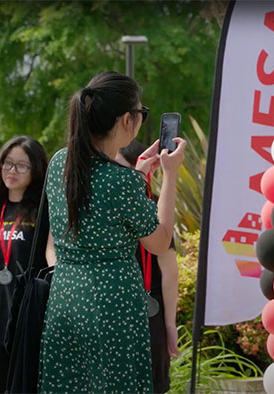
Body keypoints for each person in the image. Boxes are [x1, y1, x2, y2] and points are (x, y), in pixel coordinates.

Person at [38, 71, 185, 393]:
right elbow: (160, 243)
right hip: (113, 303)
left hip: (66, 298)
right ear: (126, 120)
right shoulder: (121, 182)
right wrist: (170, 176)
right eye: (141, 114)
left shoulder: (60, 163)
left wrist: (138, 175)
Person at [0, 136, 48, 393]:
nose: (11, 171)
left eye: (21, 166)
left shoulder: (43, 212)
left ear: (36, 171)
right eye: (7, 163)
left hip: (27, 320)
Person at [116, 140, 180, 393]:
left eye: (122, 169)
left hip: (148, 313)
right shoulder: (103, 206)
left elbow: (169, 270)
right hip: (111, 309)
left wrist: (169, 325)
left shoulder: (155, 207)